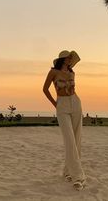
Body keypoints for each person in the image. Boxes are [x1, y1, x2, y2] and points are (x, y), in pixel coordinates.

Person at [43, 50, 86, 191]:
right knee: (69, 140)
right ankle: (78, 177)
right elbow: (45, 89)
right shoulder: (53, 72)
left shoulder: (72, 73)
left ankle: (68, 172)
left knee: (76, 139)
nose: (70, 59)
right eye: (68, 57)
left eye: (70, 58)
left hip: (75, 103)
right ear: (62, 59)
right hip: (61, 105)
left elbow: (73, 90)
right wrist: (55, 104)